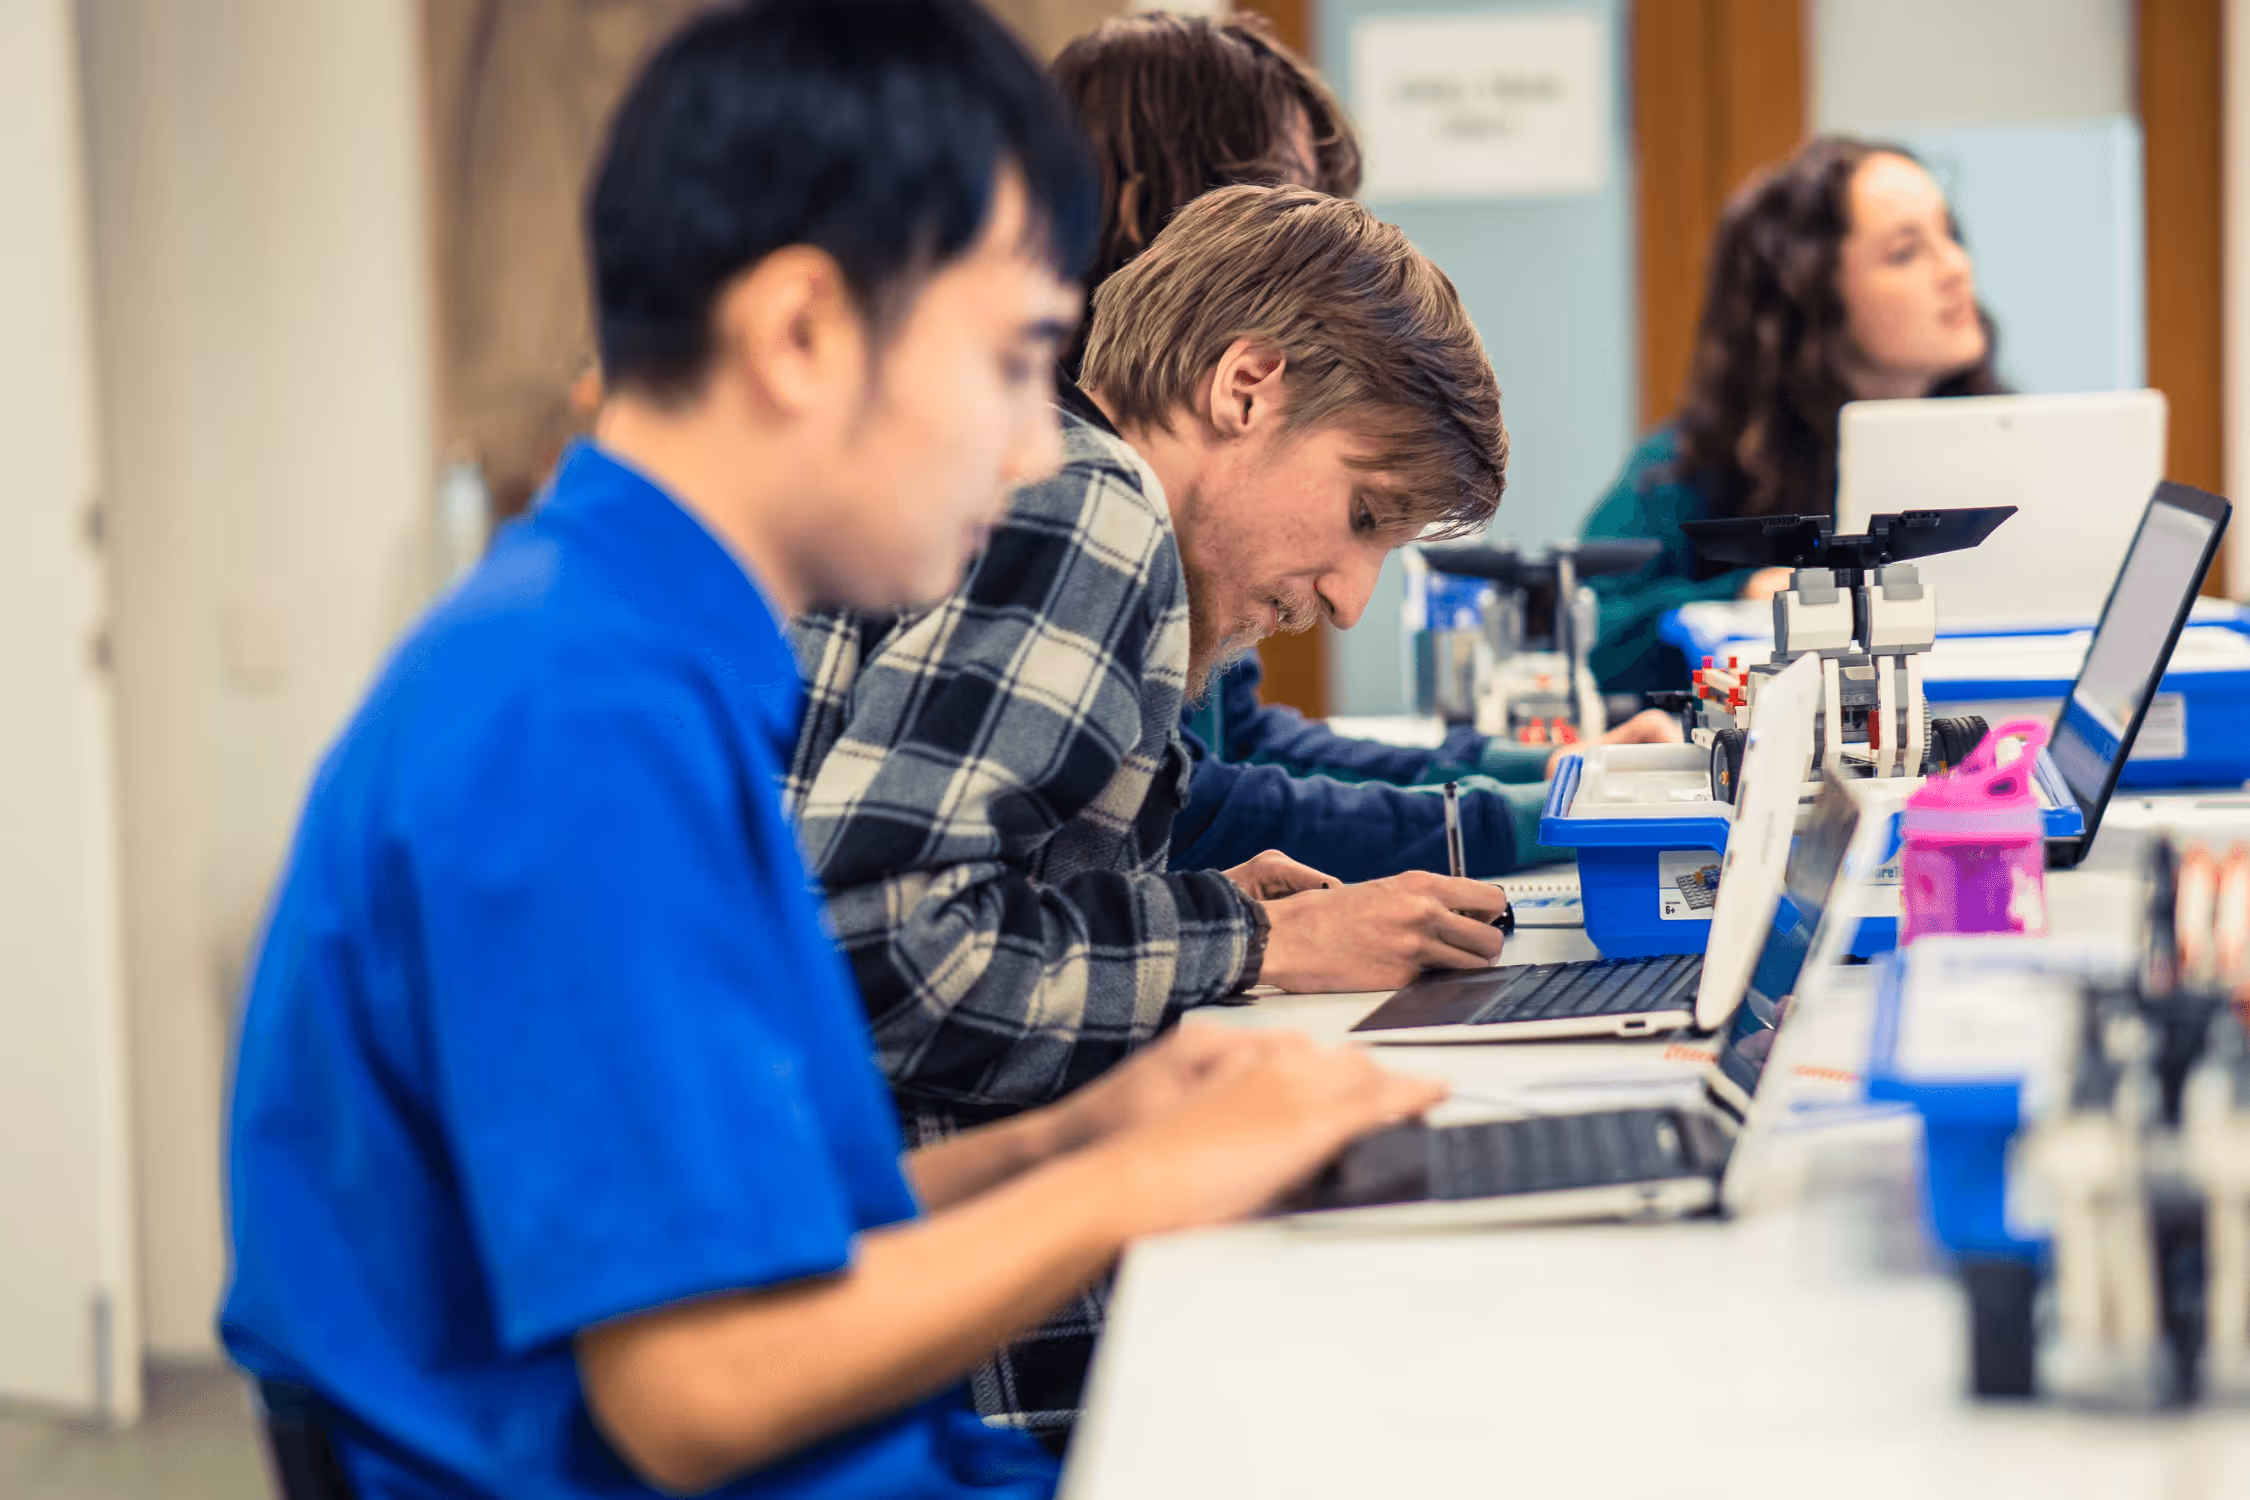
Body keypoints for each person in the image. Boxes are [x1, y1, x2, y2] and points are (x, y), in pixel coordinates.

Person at [217, 5, 1446, 1497]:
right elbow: (696, 1390)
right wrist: (1137, 1179)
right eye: (1007, 362)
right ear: (800, 334)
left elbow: (771, 1223)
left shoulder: (648, 660)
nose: (1029, 450)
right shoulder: (574, 724)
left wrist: (1089, 1136)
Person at [786, 181, 1512, 1434]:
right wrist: (1254, 945)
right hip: (940, 1358)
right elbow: (885, 956)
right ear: (1247, 388)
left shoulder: (1028, 474)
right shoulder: (1089, 508)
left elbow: (948, 891)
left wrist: (1200, 909)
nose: (1350, 599)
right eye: (1362, 517)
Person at [1050, 10, 1676, 884]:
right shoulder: (1064, 510)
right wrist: (1543, 809)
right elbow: (1193, 815)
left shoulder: (1184, 505)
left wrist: (1551, 776)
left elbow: (1225, 752)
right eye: (1273, 193)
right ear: (1138, 204)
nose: (1299, 230)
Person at [1583, 134, 2005, 695]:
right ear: (1811, 295)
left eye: (1950, 236)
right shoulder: (1690, 463)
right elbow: (1587, 630)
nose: (1956, 267)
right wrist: (1745, 594)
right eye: (1905, 253)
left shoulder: (2003, 438)